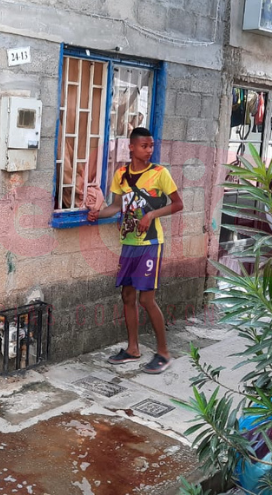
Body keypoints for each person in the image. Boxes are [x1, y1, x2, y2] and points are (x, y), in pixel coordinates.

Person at [87, 127, 183, 374]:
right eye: (144, 146)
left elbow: (178, 204)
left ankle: (163, 352)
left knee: (146, 299)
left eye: (151, 146)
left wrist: (151, 214)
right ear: (131, 147)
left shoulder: (160, 174)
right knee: (127, 297)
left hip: (150, 244)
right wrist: (98, 213)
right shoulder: (120, 174)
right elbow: (116, 207)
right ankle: (132, 349)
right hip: (128, 243)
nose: (149, 150)